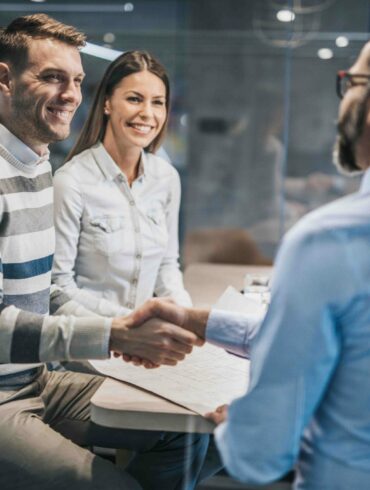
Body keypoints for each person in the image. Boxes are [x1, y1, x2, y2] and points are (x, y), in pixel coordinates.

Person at [133, 41, 370, 489]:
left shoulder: (327, 241)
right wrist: (195, 320)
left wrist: (240, 427)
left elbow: (261, 452)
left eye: (352, 83)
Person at [0, 13, 211, 490]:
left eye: (75, 80)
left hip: (38, 380)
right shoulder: (65, 178)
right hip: (10, 392)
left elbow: (45, 295)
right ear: (5, 80)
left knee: (191, 432)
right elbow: (56, 293)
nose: (69, 93)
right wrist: (116, 334)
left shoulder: (35, 167)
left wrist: (174, 320)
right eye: (51, 77)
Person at [52, 50, 191, 318]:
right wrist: (126, 326)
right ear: (107, 104)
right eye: (134, 99)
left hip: (142, 346)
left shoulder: (167, 178)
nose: (147, 113)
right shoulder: (71, 181)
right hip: (88, 344)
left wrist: (185, 313)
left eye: (158, 102)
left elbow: (167, 266)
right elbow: (59, 287)